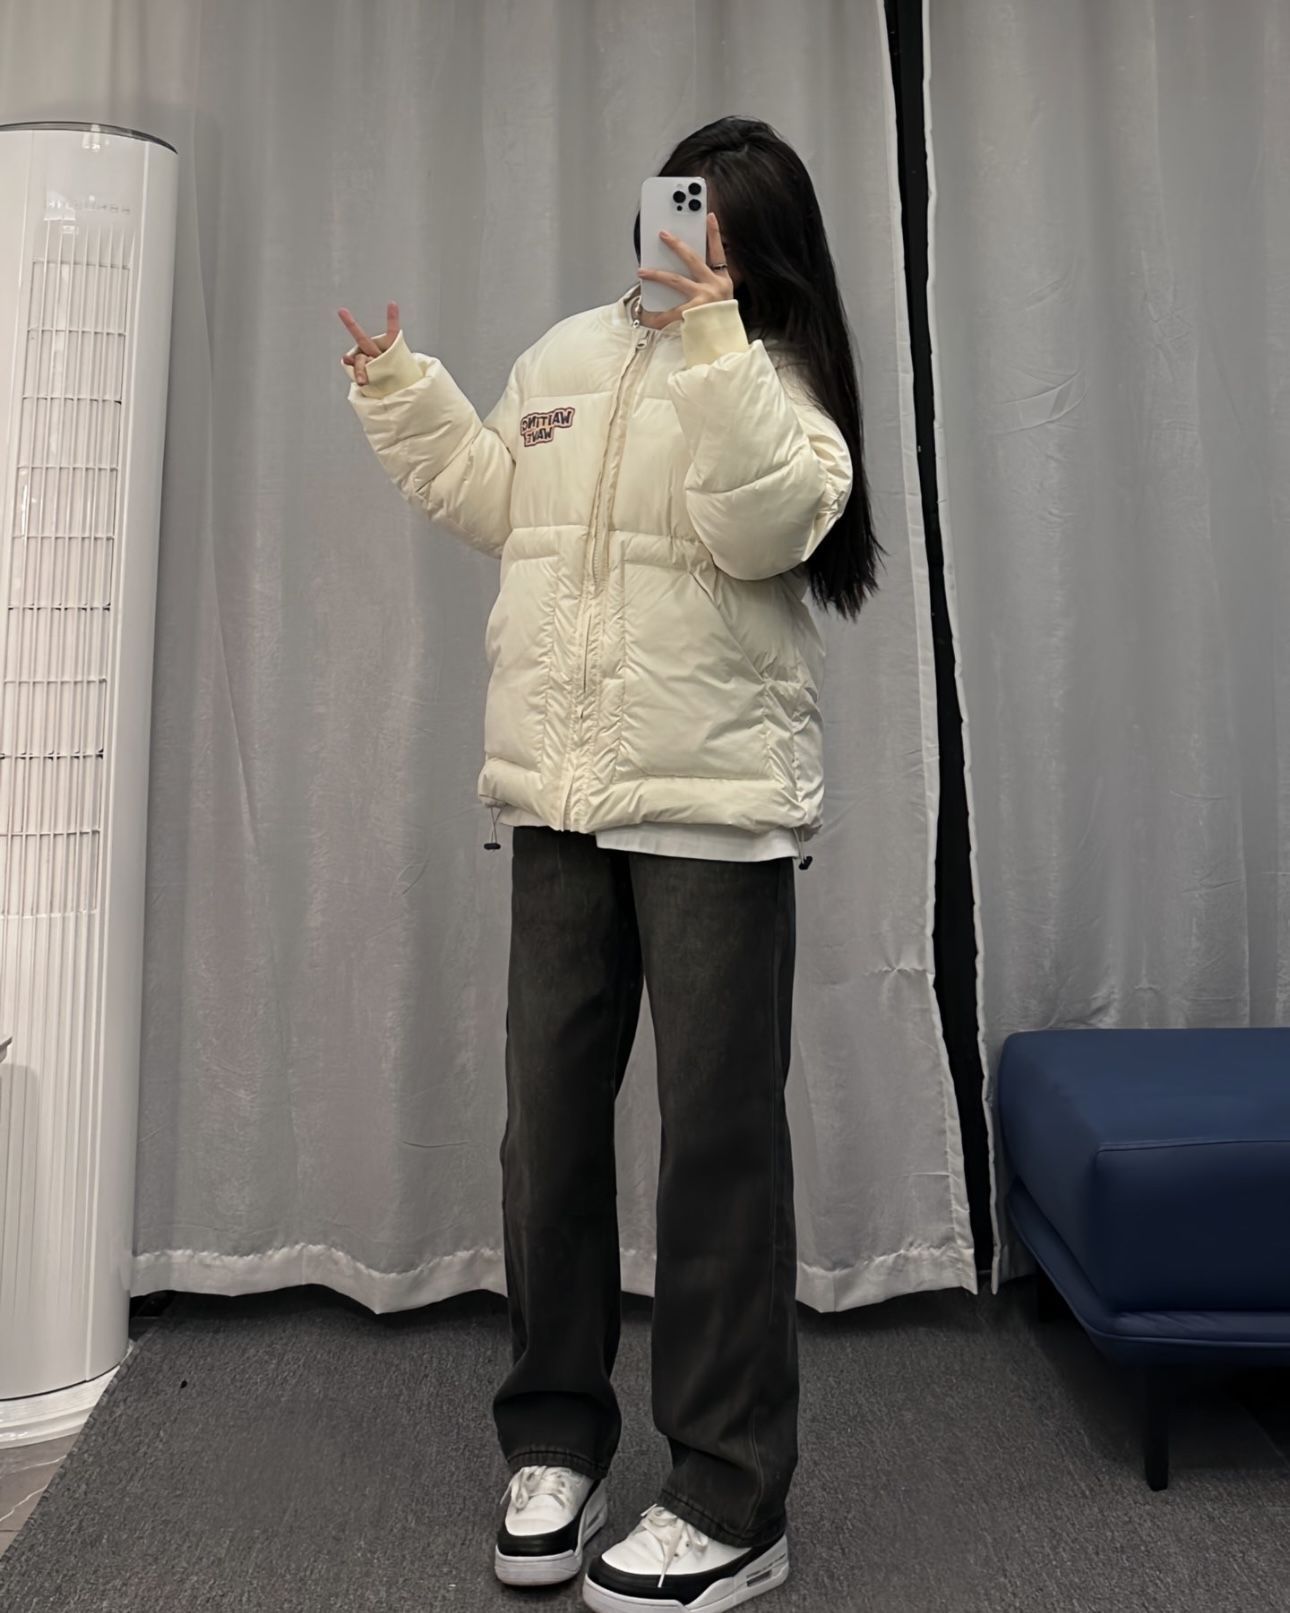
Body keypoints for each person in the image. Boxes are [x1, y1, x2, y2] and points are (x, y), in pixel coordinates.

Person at [339, 115, 880, 1613]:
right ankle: (555, 1442)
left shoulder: (780, 382)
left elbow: (759, 528)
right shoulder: (569, 354)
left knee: (716, 1151)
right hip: (560, 802)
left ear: (759, 248)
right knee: (549, 1137)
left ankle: (730, 1494)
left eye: (719, 227)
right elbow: (497, 498)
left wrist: (712, 337)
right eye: (676, 211)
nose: (685, 243)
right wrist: (404, 392)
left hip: (711, 814)